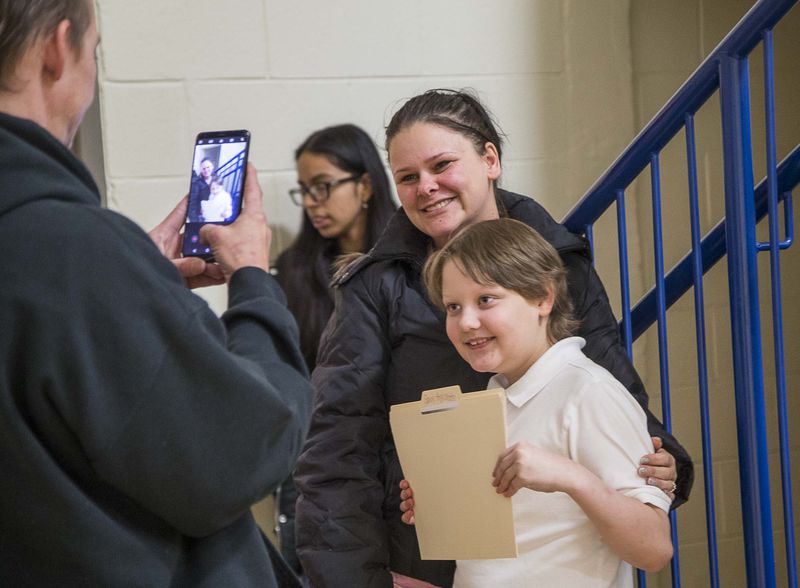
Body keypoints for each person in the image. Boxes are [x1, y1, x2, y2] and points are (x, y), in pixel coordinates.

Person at [294, 89, 693, 588]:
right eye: (408, 177)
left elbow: (609, 392)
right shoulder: (376, 286)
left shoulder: (560, 264)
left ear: (489, 159)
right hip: (419, 564)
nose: (427, 187)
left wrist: (661, 460)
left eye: (442, 165)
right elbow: (338, 449)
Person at [0, 1, 312, 586]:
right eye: (94, 52)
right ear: (57, 48)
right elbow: (244, 447)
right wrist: (254, 282)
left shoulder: (67, 256)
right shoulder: (75, 253)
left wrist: (133, 281)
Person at [398, 218, 673, 586]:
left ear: (543, 298)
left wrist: (572, 478)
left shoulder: (588, 391)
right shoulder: (489, 401)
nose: (466, 322)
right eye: (453, 307)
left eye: (485, 300)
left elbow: (653, 550)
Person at [272, 123, 396, 574]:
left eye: (323, 187)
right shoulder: (294, 270)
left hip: (396, 451)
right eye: (303, 190)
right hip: (319, 457)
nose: (310, 203)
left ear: (364, 184)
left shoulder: (407, 260)